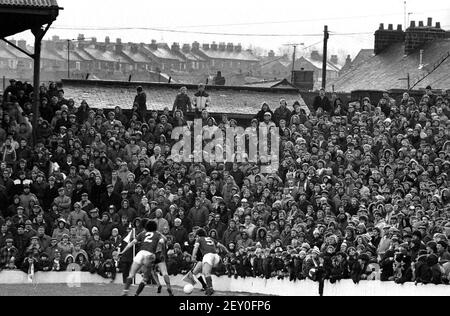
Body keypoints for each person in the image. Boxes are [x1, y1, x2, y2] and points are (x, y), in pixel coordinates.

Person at [119, 220, 166, 296]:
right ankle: (136, 294)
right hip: (150, 255)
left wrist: (123, 251)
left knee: (131, 275)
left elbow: (131, 243)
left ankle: (125, 291)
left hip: (140, 253)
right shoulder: (157, 234)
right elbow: (162, 241)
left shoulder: (142, 233)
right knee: (145, 278)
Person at [191, 228, 230, 296]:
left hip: (208, 256)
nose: (196, 237)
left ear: (198, 235)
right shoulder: (211, 239)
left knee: (206, 273)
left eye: (196, 235)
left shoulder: (199, 239)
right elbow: (221, 246)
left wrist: (192, 257)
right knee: (195, 271)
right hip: (216, 256)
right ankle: (205, 286)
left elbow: (195, 248)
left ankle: (210, 288)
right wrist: (227, 252)